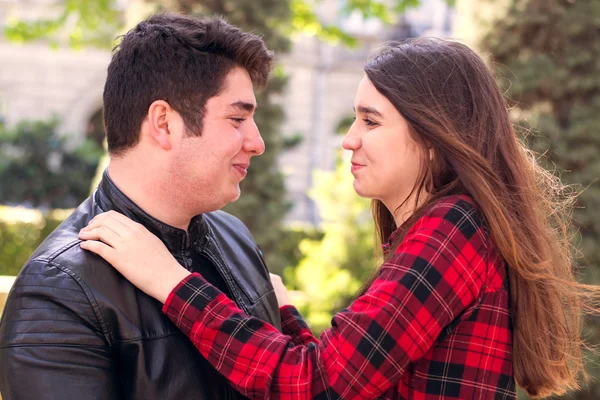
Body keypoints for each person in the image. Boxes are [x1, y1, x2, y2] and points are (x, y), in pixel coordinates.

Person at [79, 38, 598, 399]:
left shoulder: (453, 231)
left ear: (434, 136)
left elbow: (315, 387)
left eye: (370, 121)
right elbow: (355, 384)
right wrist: (286, 318)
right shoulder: (448, 230)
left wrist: (172, 282)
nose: (349, 139)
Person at [0, 13, 281, 400]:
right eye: (237, 118)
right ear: (163, 123)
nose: (256, 142)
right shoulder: (58, 292)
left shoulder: (237, 239)